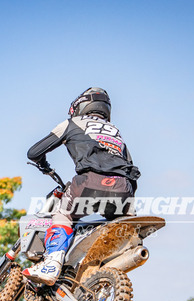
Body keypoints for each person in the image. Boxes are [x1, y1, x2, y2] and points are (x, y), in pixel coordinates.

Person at [22, 87, 140, 286]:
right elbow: (130, 168)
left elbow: (33, 152)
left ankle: (52, 264)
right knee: (115, 224)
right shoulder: (116, 133)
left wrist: (43, 164)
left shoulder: (71, 123)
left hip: (88, 183)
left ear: (79, 106)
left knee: (63, 215)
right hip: (123, 189)